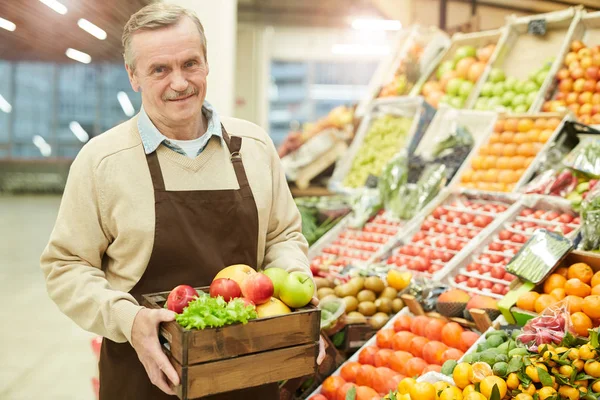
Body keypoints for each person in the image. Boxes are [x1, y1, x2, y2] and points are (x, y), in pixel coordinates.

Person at [40, 3, 322, 399]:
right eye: (159, 69)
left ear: (206, 64)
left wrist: (295, 306)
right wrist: (127, 318)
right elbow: (66, 266)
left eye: (190, 63)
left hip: (248, 370)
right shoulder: (102, 161)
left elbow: (283, 236)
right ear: (133, 76)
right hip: (144, 377)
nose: (179, 82)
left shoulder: (253, 146)